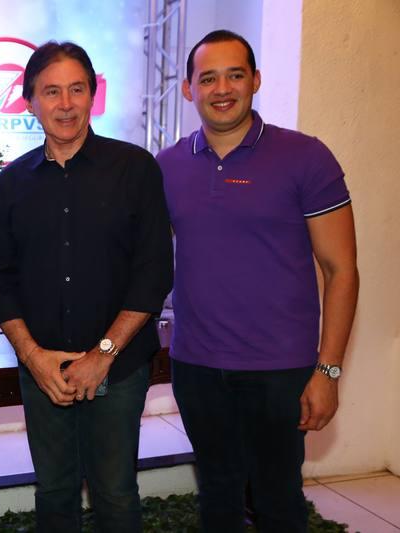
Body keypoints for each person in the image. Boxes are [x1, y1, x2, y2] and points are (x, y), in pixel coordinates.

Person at [157, 30, 359, 532]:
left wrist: (328, 371)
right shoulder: (168, 166)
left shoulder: (306, 157)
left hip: (281, 370)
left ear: (256, 81)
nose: (222, 88)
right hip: (197, 366)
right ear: (189, 89)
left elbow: (342, 270)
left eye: (235, 75)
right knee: (217, 496)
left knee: (278, 502)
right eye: (208, 78)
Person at [0, 41, 174, 532]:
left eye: (77, 89)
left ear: (92, 95)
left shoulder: (135, 168)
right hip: (42, 370)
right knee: (54, 493)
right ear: (29, 101)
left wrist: (102, 355)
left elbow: (154, 271)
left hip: (119, 367)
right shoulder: (12, 182)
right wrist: (33, 357)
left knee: (115, 493)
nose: (65, 104)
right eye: (51, 92)